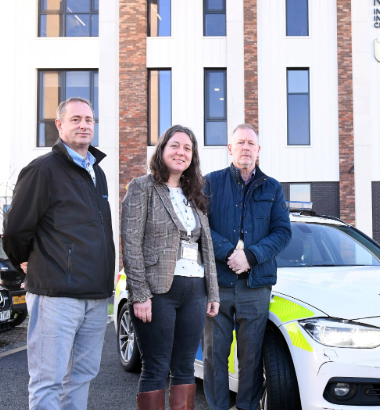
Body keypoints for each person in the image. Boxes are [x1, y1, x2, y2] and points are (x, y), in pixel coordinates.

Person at [3, 97, 115, 410]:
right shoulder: (42, 170)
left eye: (89, 120)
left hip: (95, 297)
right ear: (60, 125)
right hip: (56, 296)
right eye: (76, 119)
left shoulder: (98, 173)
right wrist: (27, 261)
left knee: (81, 377)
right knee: (48, 381)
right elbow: (15, 230)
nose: (84, 125)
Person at [121, 126, 220, 410]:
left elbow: (207, 248)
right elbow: (132, 243)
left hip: (195, 289)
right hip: (158, 291)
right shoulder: (142, 187)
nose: (181, 152)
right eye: (175, 146)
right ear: (162, 150)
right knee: (156, 367)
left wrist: (212, 292)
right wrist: (139, 295)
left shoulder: (195, 195)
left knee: (185, 367)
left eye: (188, 148)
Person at [203, 123, 292, 410]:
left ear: (258, 150)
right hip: (219, 285)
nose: (245, 148)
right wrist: (229, 252)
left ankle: (247, 407)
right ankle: (217, 407)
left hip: (256, 287)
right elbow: (200, 226)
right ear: (230, 148)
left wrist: (250, 256)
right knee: (214, 355)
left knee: (251, 357)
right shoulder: (210, 183)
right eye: (240, 142)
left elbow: (282, 232)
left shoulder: (273, 187)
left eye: (250, 143)